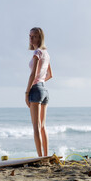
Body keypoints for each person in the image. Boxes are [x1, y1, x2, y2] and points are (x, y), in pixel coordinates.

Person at [25, 27, 53, 157]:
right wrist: (41, 82)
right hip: (44, 90)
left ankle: (41, 157)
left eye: (34, 36)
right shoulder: (46, 53)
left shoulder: (37, 53)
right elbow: (50, 75)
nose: (31, 38)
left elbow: (33, 74)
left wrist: (27, 92)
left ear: (39, 38)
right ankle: (46, 156)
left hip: (36, 89)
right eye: (30, 36)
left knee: (36, 127)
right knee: (42, 126)